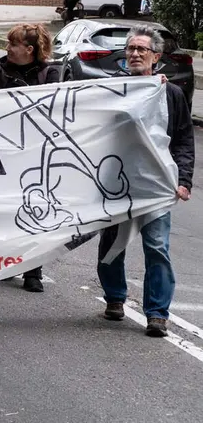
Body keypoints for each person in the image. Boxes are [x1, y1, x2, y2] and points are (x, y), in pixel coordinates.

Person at [97, 24, 193, 337]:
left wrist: (185, 179)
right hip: (117, 183)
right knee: (111, 245)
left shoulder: (171, 94)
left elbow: (182, 139)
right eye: (131, 49)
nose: (135, 54)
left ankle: (157, 314)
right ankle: (114, 298)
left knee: (157, 248)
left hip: (156, 185)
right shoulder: (111, 89)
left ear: (156, 56)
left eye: (142, 50)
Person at [0, 22, 61, 292]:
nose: (7, 49)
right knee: (7, 210)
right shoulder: (0, 71)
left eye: (12, 44)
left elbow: (52, 109)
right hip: (7, 150)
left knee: (35, 208)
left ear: (29, 49)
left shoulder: (51, 73)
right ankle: (8, 261)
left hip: (37, 153)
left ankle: (33, 270)